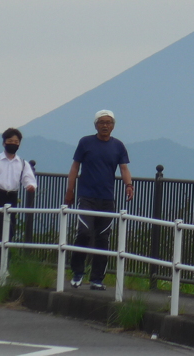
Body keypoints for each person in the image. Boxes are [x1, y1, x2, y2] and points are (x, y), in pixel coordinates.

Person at [64, 109, 133, 290]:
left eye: (108, 122)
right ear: (96, 125)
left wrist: (129, 185)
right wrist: (70, 190)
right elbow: (75, 167)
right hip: (86, 197)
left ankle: (97, 279)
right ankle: (77, 272)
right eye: (101, 122)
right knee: (84, 233)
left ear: (113, 126)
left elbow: (124, 168)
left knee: (103, 238)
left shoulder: (118, 146)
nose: (105, 125)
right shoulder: (85, 142)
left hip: (107, 198)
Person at [0, 127, 37, 279]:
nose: (13, 144)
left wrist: (30, 186)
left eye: (16, 142)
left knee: (9, 233)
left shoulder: (22, 163)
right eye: (10, 141)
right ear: (4, 143)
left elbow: (29, 179)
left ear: (19, 144)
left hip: (11, 198)